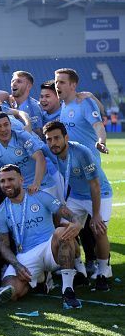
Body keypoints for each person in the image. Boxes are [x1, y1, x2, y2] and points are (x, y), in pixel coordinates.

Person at [0, 165, 82, 309]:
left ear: (21, 180)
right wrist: (17, 265)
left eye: (11, 179)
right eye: (3, 181)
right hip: (26, 254)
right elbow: (3, 246)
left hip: (49, 248)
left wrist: (77, 222)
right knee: (11, 292)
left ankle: (67, 291)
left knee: (61, 232)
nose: (6, 184)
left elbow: (63, 211)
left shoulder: (39, 196)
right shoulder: (0, 211)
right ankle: (40, 280)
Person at [43, 121, 113, 291]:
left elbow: (95, 185)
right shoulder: (51, 151)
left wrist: (95, 215)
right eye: (49, 139)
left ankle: (104, 272)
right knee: (65, 229)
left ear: (66, 137)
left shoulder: (81, 152)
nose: (53, 143)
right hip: (76, 195)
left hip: (99, 193)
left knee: (99, 229)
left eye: (57, 138)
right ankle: (79, 270)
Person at [56, 68, 108, 161]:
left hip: (89, 162)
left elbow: (98, 125)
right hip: (72, 162)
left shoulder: (84, 102)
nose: (57, 86)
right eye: (56, 82)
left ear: (73, 85)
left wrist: (102, 142)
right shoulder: (63, 104)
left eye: (62, 82)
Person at [10, 71, 44, 136]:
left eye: (19, 81)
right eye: (12, 81)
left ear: (29, 86)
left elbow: (38, 134)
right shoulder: (11, 102)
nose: (14, 84)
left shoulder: (32, 108)